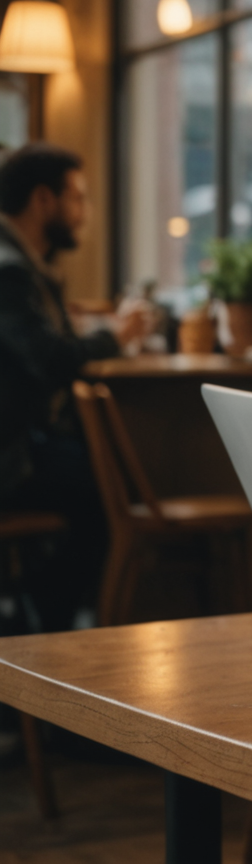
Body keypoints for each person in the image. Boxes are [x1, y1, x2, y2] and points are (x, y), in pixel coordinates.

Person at [0, 144, 148, 630]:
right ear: (44, 199)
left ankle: (46, 616)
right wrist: (115, 336)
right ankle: (49, 628)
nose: (85, 213)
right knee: (112, 493)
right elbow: (51, 359)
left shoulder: (24, 266)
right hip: (11, 457)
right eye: (78, 198)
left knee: (102, 480)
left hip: (23, 444)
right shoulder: (10, 270)